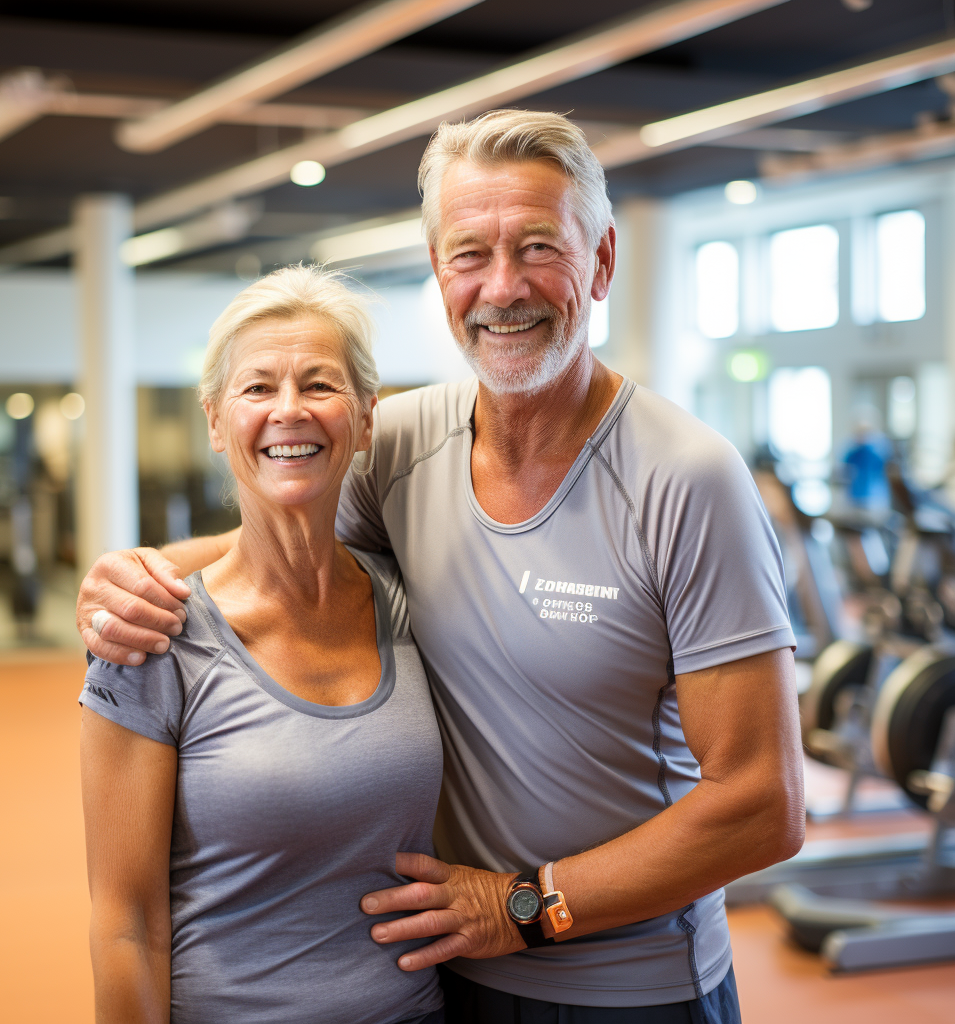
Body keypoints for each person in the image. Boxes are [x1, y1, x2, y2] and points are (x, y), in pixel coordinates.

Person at [78, 110, 805, 1023]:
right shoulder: (402, 444)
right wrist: (132, 573)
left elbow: (762, 803)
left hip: (630, 992)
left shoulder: (688, 479)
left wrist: (523, 907)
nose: (503, 287)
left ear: (604, 261)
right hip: (448, 981)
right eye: (470, 255)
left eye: (539, 247)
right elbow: (274, 539)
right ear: (438, 272)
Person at [78, 266, 444, 1024]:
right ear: (215, 421)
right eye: (257, 388)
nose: (289, 410)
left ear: (366, 418)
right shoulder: (153, 634)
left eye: (319, 384)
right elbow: (125, 928)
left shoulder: (411, 600)